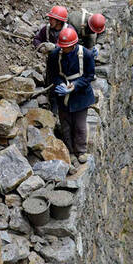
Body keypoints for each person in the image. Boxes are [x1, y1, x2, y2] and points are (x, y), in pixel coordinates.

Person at [48, 27, 95, 163]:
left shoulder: (86, 55)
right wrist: (60, 84)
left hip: (81, 96)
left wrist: (74, 86)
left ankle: (81, 150)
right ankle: (69, 151)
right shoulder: (55, 55)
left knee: (80, 125)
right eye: (62, 47)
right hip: (63, 96)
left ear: (73, 45)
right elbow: (53, 74)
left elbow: (89, 76)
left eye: (66, 47)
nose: (63, 49)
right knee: (66, 125)